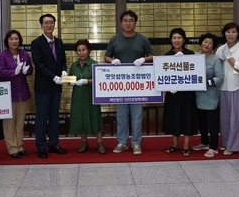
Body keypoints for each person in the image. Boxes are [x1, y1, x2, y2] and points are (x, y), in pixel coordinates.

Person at [105, 10, 154, 155]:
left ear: (135, 22)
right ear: (121, 23)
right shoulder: (115, 39)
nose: (128, 23)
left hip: (137, 85)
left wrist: (144, 59)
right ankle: (122, 142)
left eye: (131, 20)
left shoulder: (142, 39)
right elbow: (106, 56)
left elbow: (151, 56)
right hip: (120, 85)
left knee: (137, 115)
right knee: (121, 115)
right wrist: (113, 61)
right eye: (125, 20)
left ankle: (136, 143)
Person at [31, 14, 68, 159]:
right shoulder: (36, 43)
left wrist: (64, 70)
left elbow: (63, 60)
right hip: (43, 87)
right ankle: (41, 146)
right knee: (41, 117)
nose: (49, 25)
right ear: (41, 25)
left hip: (56, 87)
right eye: (46, 23)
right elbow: (39, 65)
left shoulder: (59, 42)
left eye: (51, 22)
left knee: (54, 116)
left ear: (54, 24)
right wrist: (53, 77)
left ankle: (53, 144)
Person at [0, 30, 33, 159]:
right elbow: (0, 72)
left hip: (22, 93)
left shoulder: (24, 54)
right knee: (9, 123)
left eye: (16, 39)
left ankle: (20, 146)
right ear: (7, 41)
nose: (14, 41)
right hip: (8, 94)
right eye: (11, 39)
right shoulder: (2, 55)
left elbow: (30, 70)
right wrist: (14, 72)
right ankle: (12, 148)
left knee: (20, 122)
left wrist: (26, 71)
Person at [162, 28, 198, 156]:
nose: (177, 40)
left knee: (187, 116)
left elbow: (195, 72)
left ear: (184, 39)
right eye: (174, 38)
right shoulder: (167, 56)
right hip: (173, 94)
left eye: (179, 38)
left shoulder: (190, 54)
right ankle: (175, 144)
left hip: (187, 93)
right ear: (171, 40)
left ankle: (186, 145)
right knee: (174, 117)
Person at [215, 22, 239, 155]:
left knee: (235, 117)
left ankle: (233, 146)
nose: (230, 34)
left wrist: (229, 57)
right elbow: (216, 67)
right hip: (223, 87)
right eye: (228, 32)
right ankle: (225, 142)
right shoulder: (220, 49)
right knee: (224, 117)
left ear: (238, 34)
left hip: (236, 86)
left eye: (233, 32)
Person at [69, 39, 105, 154]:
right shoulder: (74, 65)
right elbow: (69, 80)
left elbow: (99, 80)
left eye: (84, 50)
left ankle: (99, 143)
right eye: (79, 50)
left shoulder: (94, 64)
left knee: (95, 117)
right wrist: (65, 78)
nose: (81, 52)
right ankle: (84, 142)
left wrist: (87, 81)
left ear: (88, 50)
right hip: (78, 97)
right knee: (80, 118)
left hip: (91, 96)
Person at [192, 33, 224, 157]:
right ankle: (204, 142)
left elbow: (220, 78)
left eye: (210, 43)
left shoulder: (215, 59)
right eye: (205, 42)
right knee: (202, 122)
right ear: (201, 43)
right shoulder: (195, 57)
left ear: (213, 47)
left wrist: (206, 82)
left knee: (212, 123)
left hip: (211, 95)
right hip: (198, 96)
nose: (207, 45)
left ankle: (213, 146)